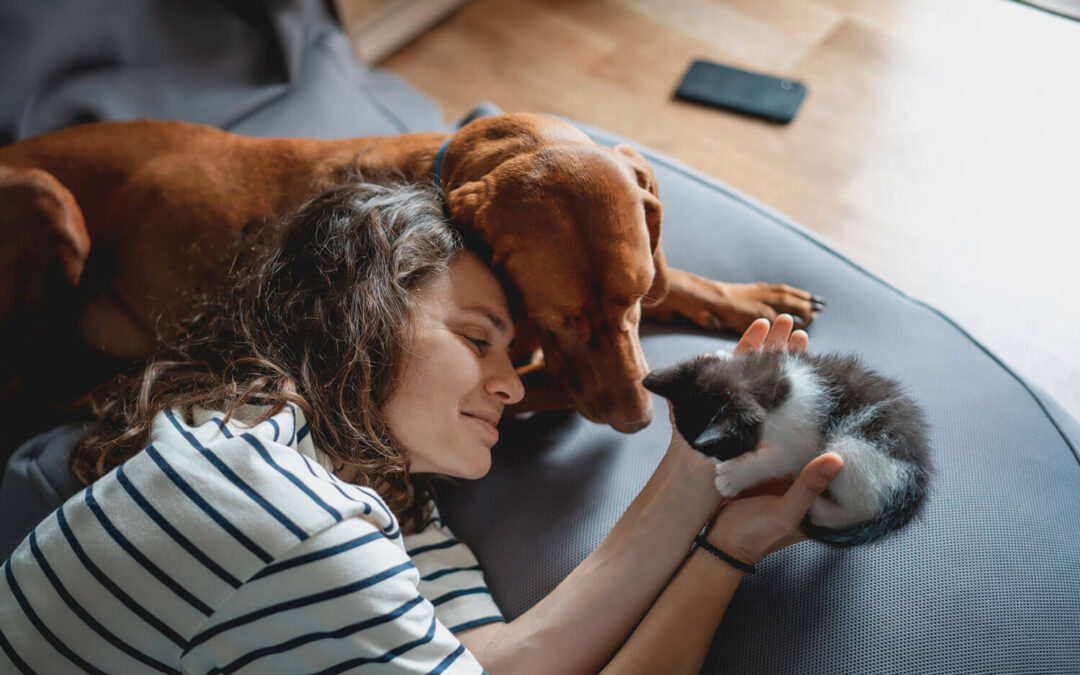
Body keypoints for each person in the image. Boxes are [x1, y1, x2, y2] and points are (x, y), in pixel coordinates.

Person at [0, 178, 843, 673]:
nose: (513, 388)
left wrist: (703, 493)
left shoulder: (379, 497)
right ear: (358, 313)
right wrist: (722, 557)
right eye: (476, 338)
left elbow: (514, 659)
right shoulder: (283, 506)